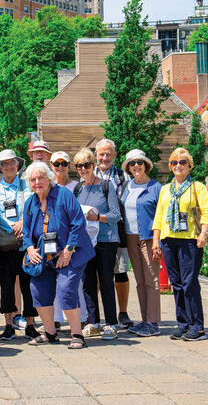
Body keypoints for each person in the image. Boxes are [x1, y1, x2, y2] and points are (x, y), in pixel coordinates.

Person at [22, 162, 94, 349]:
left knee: (66, 290)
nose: (37, 182)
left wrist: (68, 250)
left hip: (72, 253)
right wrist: (30, 249)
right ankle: (50, 333)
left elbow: (78, 223)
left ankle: (77, 334)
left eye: (41, 178)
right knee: (37, 289)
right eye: (33, 179)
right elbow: (27, 231)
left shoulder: (64, 195)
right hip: (45, 256)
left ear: (49, 179)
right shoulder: (30, 201)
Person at [152, 147, 208, 341]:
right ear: (170, 166)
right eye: (174, 162)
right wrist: (156, 241)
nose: (178, 166)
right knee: (176, 284)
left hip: (189, 241)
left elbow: (207, 212)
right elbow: (159, 217)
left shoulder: (197, 187)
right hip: (169, 240)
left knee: (190, 283)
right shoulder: (165, 189)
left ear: (189, 166)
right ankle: (183, 324)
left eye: (182, 162)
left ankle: (198, 326)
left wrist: (203, 233)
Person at [0, 149, 40, 340]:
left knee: (29, 284)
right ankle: (9, 324)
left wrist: (22, 224)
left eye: (12, 163)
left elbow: (34, 207)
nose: (9, 166)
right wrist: (12, 226)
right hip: (5, 243)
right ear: (0, 168)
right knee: (7, 285)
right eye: (5, 164)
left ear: (18, 165)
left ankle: (30, 323)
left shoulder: (27, 186)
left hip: (27, 243)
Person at [72, 148, 121, 340]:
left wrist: (97, 217)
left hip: (106, 240)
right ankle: (93, 322)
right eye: (79, 166)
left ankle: (111, 324)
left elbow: (116, 216)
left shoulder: (106, 186)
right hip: (86, 242)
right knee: (88, 282)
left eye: (86, 165)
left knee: (107, 281)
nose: (83, 169)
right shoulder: (78, 189)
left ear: (93, 165)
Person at [120, 149, 163, 337]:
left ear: (146, 165)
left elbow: (161, 216)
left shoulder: (156, 188)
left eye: (139, 162)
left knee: (152, 280)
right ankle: (144, 320)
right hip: (131, 237)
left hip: (148, 237)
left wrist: (157, 241)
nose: (136, 166)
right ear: (128, 168)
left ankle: (152, 322)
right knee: (139, 280)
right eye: (131, 163)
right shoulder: (126, 186)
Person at [94, 138, 133, 329]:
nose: (105, 157)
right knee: (98, 276)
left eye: (108, 154)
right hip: (94, 234)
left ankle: (123, 313)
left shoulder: (123, 176)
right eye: (101, 154)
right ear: (96, 155)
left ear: (115, 155)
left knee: (120, 272)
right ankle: (99, 314)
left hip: (117, 232)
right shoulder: (88, 174)